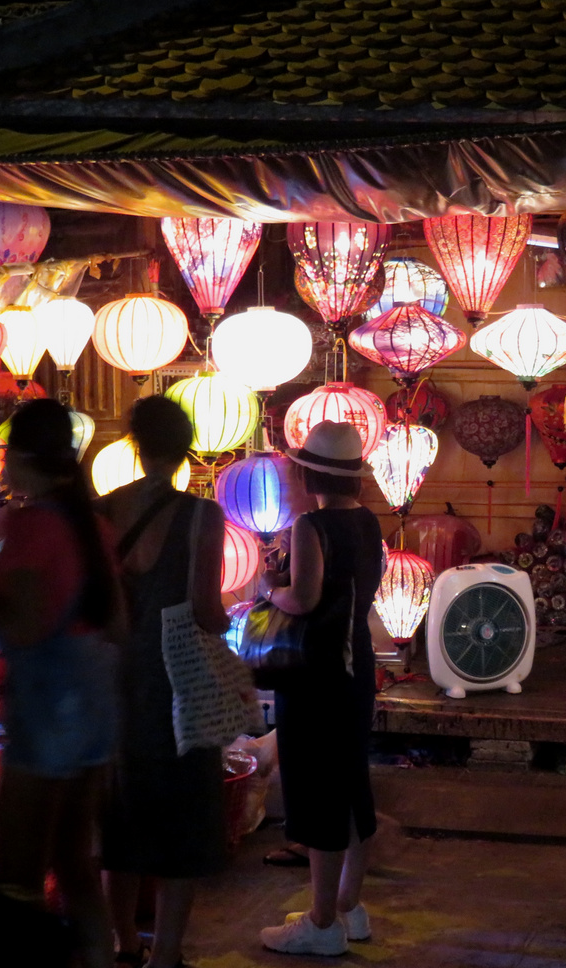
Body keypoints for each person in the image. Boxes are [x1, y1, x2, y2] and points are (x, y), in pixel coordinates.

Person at [0, 399, 123, 968]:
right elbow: (118, 623)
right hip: (94, 703)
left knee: (20, 875)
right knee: (77, 863)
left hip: (49, 701)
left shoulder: (32, 525)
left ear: (27, 458)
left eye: (7, 454)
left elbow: (28, 626)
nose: (3, 468)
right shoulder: (95, 525)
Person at [99, 396, 228, 968]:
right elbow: (205, 609)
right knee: (184, 815)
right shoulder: (203, 516)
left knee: (119, 814)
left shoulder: (104, 512)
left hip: (115, 681)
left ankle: (122, 941)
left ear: (135, 443)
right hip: (179, 686)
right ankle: (167, 954)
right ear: (186, 450)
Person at [257, 420, 384, 957]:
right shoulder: (370, 523)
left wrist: (269, 588)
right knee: (350, 787)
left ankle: (321, 922)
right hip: (357, 671)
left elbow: (303, 599)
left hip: (317, 677)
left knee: (319, 795)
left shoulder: (312, 525)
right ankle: (349, 908)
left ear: (311, 472)